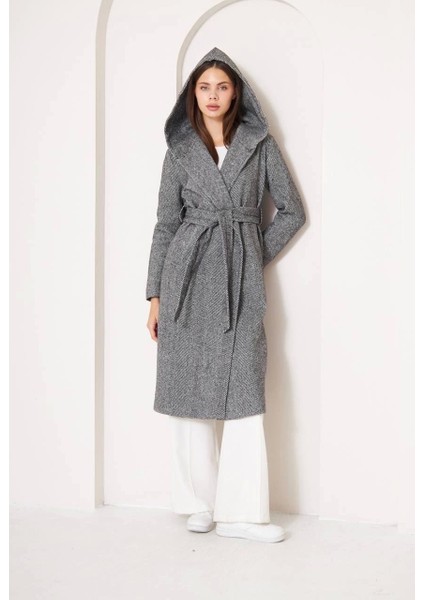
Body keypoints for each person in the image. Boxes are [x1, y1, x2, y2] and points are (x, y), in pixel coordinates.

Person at [145, 47, 306, 543]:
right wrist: (154, 295)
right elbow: (165, 224)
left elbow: (293, 211)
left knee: (244, 394)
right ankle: (198, 503)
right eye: (203, 87)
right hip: (185, 278)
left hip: (240, 281)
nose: (212, 95)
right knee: (187, 389)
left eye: (221, 86)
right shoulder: (179, 149)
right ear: (192, 95)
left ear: (236, 93)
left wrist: (250, 254)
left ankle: (242, 515)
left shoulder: (259, 144)